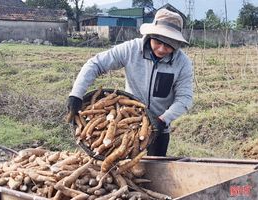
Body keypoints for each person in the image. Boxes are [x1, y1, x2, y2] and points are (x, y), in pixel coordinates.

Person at [67, 8, 193, 156]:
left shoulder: (182, 63)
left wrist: (163, 119)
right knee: (123, 168)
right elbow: (95, 64)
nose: (162, 49)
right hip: (127, 123)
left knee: (156, 170)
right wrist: (76, 94)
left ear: (176, 44)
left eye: (169, 45)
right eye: (158, 42)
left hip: (158, 128)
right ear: (151, 35)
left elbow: (185, 98)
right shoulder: (132, 49)